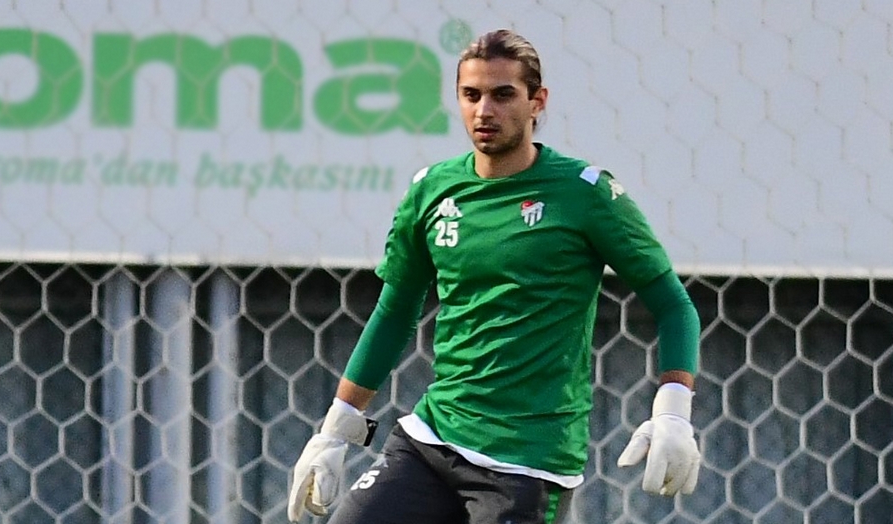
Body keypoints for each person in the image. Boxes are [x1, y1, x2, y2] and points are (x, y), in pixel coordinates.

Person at [288, 28, 702, 524]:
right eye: (472, 95)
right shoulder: (432, 190)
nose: (484, 111)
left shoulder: (585, 193)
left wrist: (673, 410)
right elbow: (394, 312)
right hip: (431, 439)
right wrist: (336, 429)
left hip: (526, 464)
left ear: (536, 102)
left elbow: (674, 306)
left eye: (503, 95)